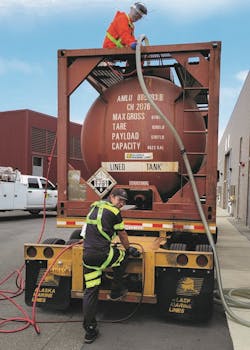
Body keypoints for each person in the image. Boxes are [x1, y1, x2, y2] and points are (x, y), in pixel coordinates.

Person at [82, 188, 140, 344]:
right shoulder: (114, 212)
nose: (121, 204)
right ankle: (116, 290)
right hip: (103, 254)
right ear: (111, 197)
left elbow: (86, 231)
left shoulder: (94, 207)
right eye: (119, 200)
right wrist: (129, 249)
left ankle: (90, 330)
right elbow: (122, 234)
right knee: (123, 257)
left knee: (91, 290)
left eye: (124, 202)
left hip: (87, 256)